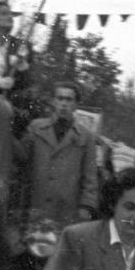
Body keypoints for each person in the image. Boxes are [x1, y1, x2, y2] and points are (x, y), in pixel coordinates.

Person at [16, 80, 99, 228]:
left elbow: (90, 177)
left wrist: (86, 206)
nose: (64, 104)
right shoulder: (36, 127)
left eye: (69, 99)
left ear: (76, 104)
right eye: (60, 98)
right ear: (53, 101)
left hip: (66, 210)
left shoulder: (86, 137)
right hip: (36, 205)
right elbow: (21, 156)